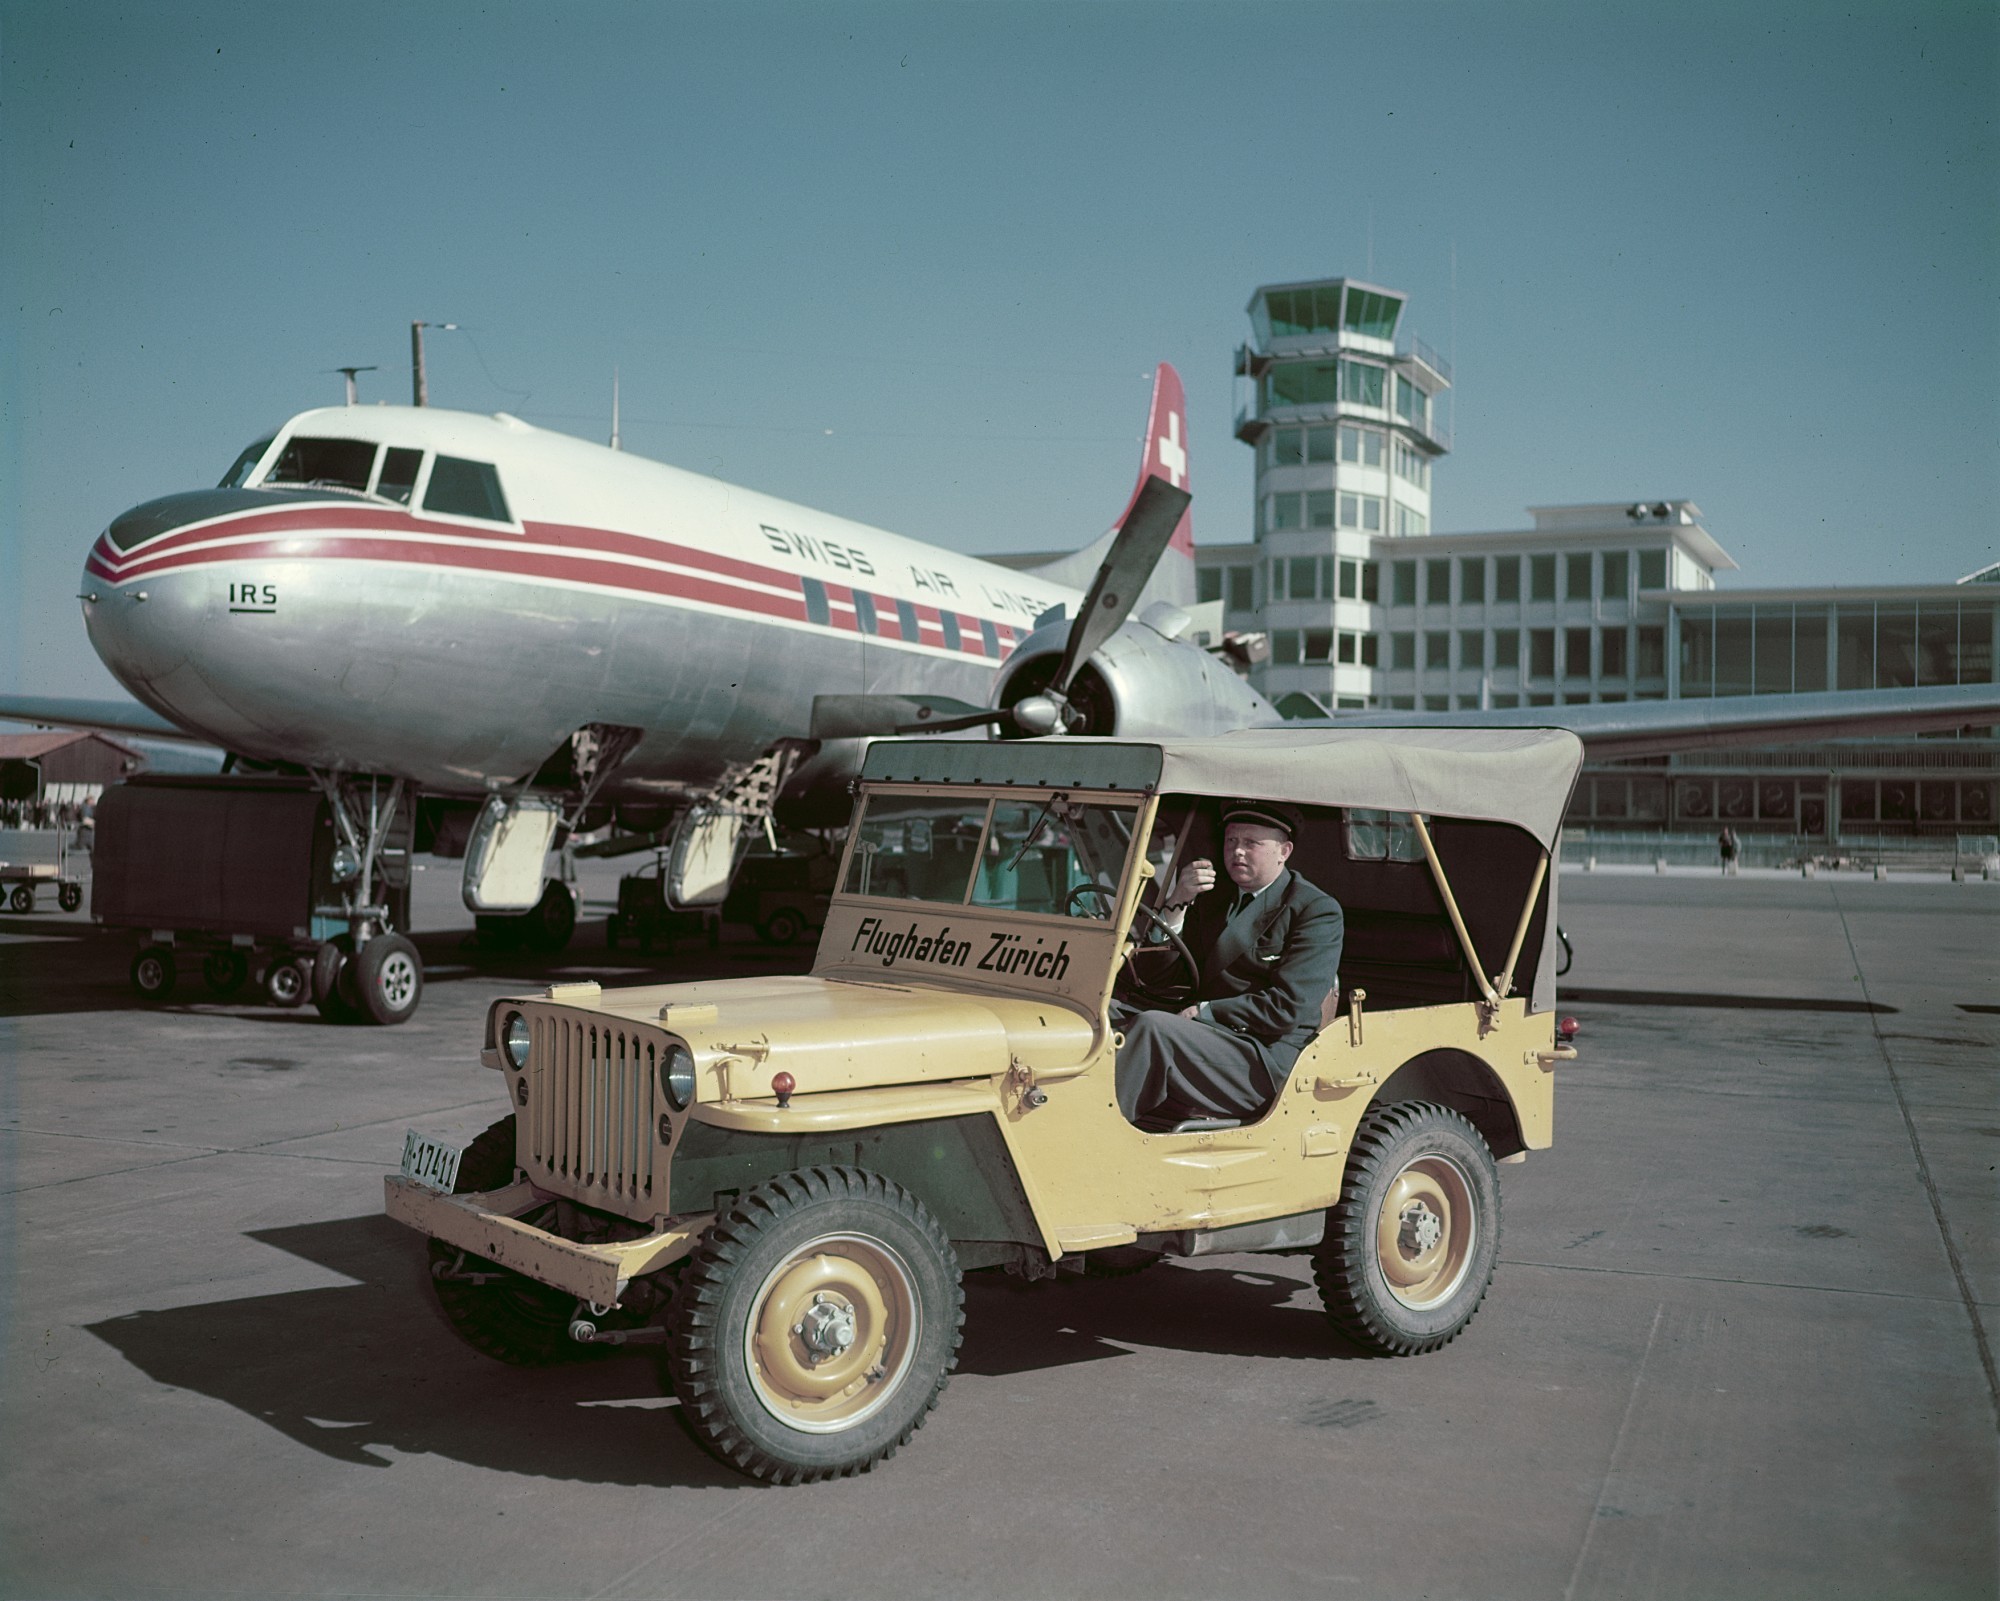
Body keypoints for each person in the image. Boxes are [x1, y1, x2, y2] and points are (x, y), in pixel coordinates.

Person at [1113, 801, 1343, 1126]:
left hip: (1261, 1055)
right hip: (1206, 1037)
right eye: (1231, 840)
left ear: (1284, 851)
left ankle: (1094, 1133)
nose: (1237, 851)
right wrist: (1177, 902)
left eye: (1251, 843)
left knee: (1153, 1029)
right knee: (1102, 1014)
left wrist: (1207, 1011)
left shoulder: (1313, 909)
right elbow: (1157, 977)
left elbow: (1288, 1006)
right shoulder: (1213, 897)